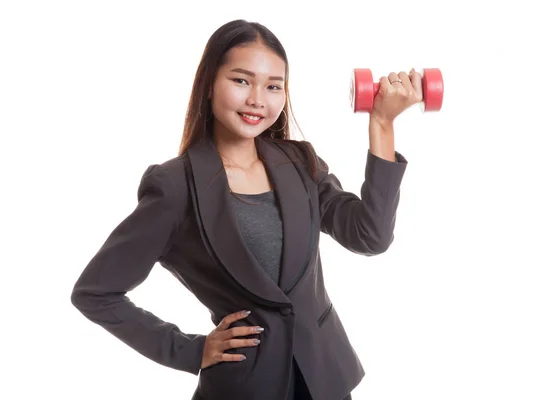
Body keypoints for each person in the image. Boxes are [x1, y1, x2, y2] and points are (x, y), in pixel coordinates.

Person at [70, 19, 423, 400]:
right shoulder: (174, 187)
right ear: (209, 84)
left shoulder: (300, 163)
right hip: (243, 388)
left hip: (325, 381)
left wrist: (382, 124)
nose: (258, 99)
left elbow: (370, 236)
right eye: (241, 81)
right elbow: (95, 293)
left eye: (273, 86)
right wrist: (190, 350)